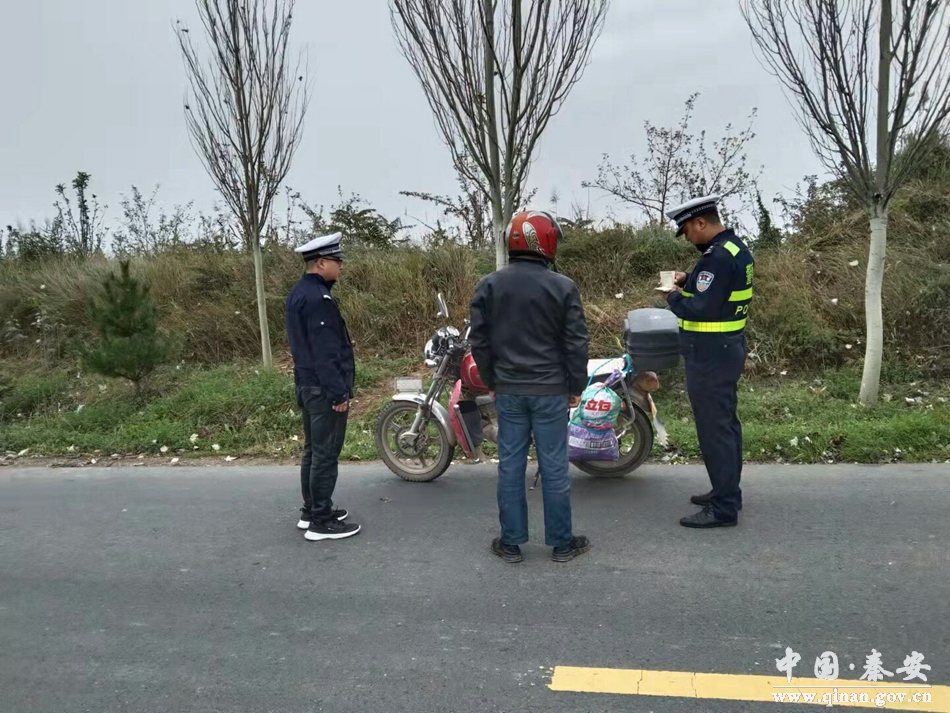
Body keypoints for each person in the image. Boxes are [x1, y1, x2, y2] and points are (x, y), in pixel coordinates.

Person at [469, 211, 591, 563]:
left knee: (510, 465)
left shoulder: (489, 285)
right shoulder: (563, 286)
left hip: (509, 390)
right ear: (546, 242)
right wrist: (576, 384)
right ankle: (562, 544)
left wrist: (492, 381)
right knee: (554, 466)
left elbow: (480, 341)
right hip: (550, 390)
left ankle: (510, 543)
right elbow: (576, 342)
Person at [661, 195, 753, 529]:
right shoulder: (734, 249)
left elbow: (700, 308)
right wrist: (689, 278)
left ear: (701, 222)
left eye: (687, 230)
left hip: (710, 355)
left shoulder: (716, 257)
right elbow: (716, 292)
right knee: (726, 425)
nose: (687, 237)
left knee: (715, 431)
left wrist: (672, 296)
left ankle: (723, 508)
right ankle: (728, 492)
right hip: (726, 349)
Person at [285, 231, 361, 541]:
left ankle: (312, 510)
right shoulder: (319, 299)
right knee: (325, 454)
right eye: (336, 260)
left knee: (313, 451)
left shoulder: (299, 293)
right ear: (320, 263)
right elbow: (326, 352)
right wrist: (338, 392)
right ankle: (321, 521)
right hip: (322, 389)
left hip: (307, 384)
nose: (340, 265)